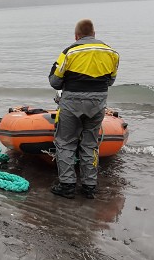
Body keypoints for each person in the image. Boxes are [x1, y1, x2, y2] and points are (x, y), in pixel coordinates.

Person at [48, 19, 120, 199]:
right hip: (98, 103)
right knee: (90, 143)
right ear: (94, 34)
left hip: (72, 102)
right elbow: (111, 80)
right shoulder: (112, 53)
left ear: (76, 36)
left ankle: (67, 186)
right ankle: (89, 186)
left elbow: (54, 81)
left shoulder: (69, 52)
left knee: (65, 142)